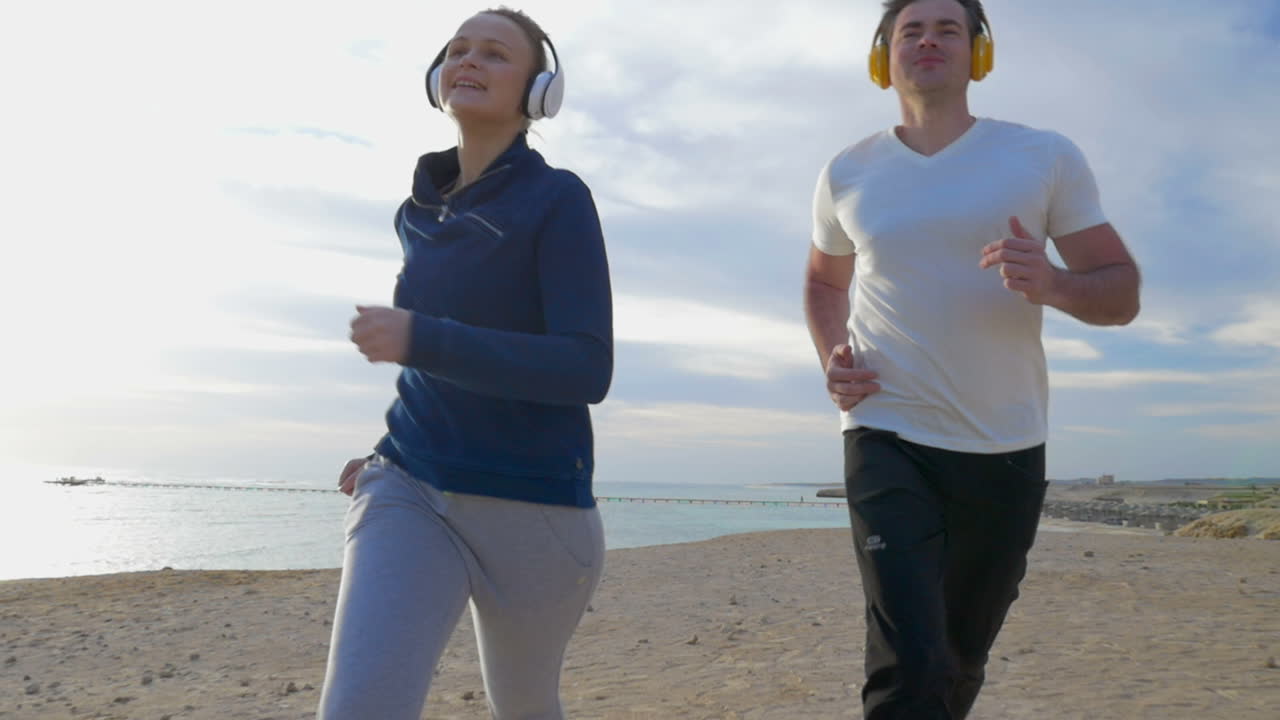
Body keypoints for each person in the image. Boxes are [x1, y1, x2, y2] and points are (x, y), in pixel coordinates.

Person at [802, 0, 1140, 717]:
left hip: (1006, 445)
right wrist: (831, 351)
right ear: (882, 53)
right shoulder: (846, 171)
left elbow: (1122, 292)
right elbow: (823, 280)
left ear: (978, 52)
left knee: (958, 659)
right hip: (885, 430)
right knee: (911, 662)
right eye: (910, 30)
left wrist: (1052, 282)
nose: (928, 40)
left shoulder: (1043, 156)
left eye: (948, 28)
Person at [317, 8, 612, 719]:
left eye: (495, 54)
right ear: (436, 76)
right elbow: (428, 364)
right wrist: (390, 452)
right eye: (458, 50)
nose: (470, 61)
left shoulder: (558, 199)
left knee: (526, 708)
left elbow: (585, 368)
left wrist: (424, 339)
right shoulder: (415, 211)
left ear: (539, 89)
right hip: (410, 487)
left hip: (537, 509)